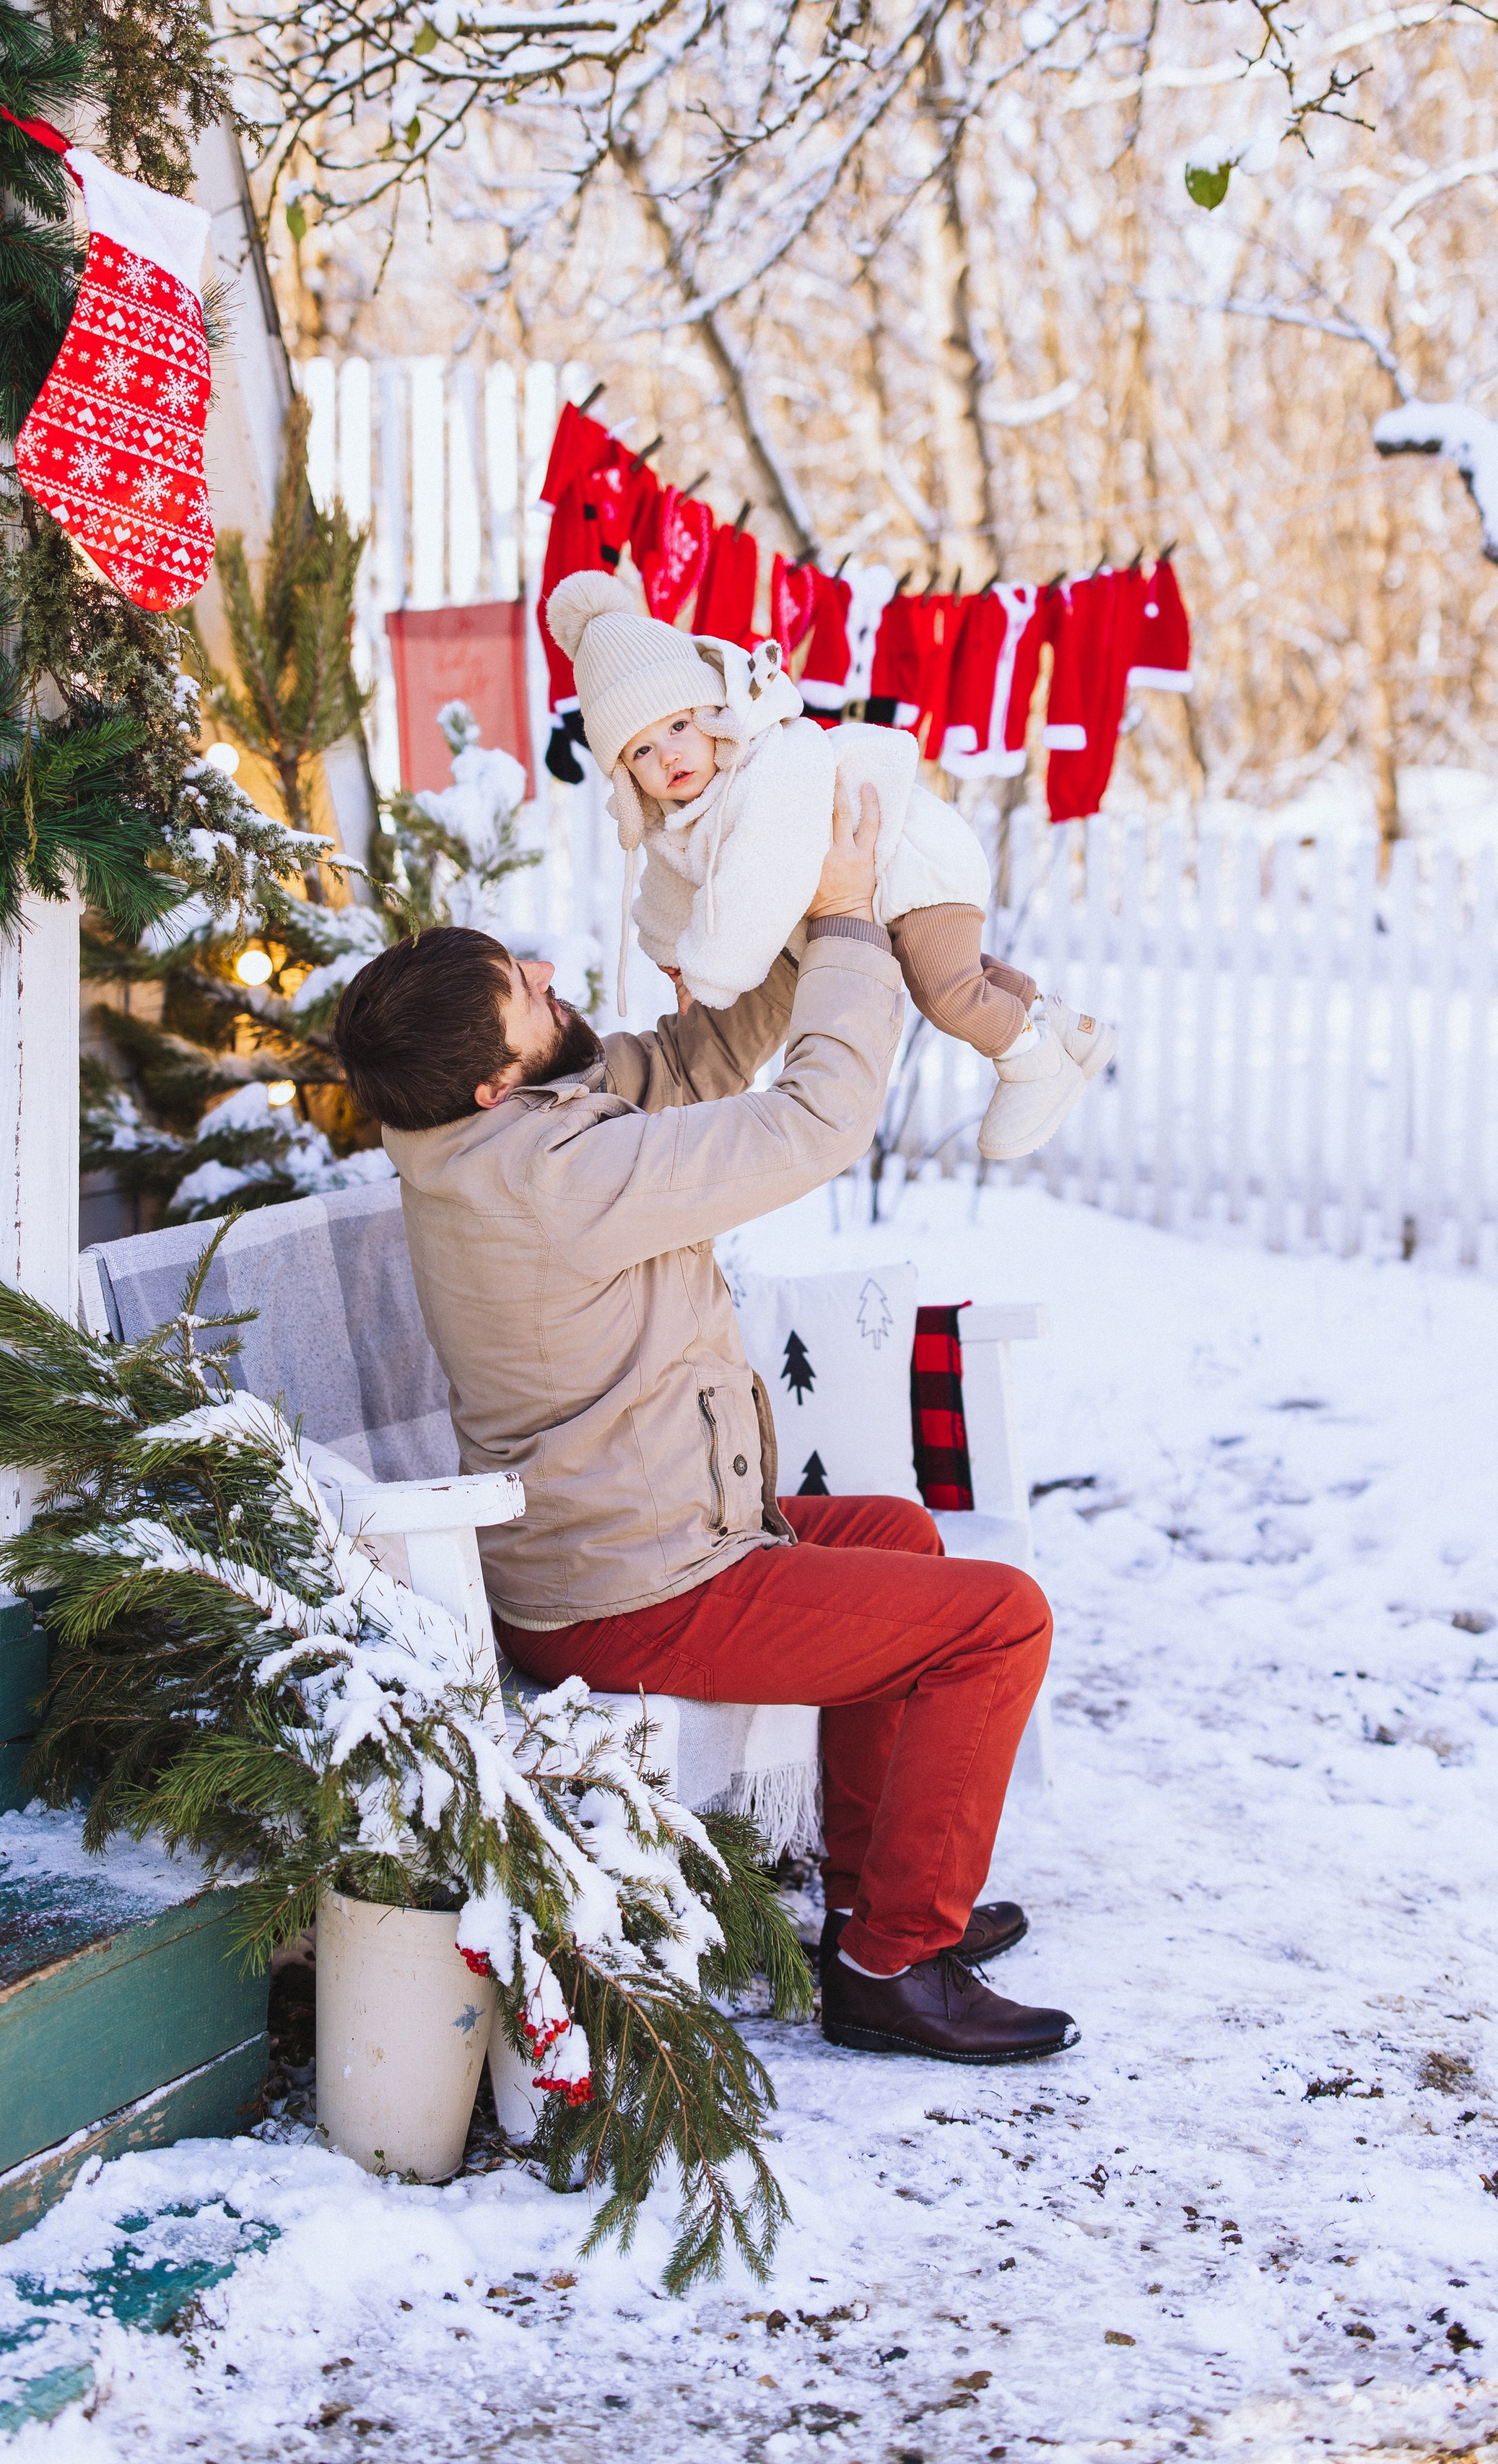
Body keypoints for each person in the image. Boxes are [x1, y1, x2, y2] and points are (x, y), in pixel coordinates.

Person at [331, 782, 1077, 2064]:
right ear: (495, 1081)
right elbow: (814, 1121)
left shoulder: (481, 1131)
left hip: (641, 1531)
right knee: (999, 1622)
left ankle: (865, 1904)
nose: (559, 980)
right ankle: (896, 1962)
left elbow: (681, 1064)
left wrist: (792, 918)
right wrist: (849, 926)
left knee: (899, 1535)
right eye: (532, 988)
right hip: (636, 1585)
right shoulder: (555, 1178)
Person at [543, 569, 1115, 1164]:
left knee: (947, 989)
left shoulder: (768, 767)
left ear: (714, 714)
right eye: (641, 750)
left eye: (679, 726)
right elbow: (667, 883)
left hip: (912, 866)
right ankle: (1067, 1029)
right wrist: (671, 955)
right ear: (627, 778)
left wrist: (711, 969)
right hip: (881, 892)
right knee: (945, 969)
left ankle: (1030, 1062)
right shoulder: (681, 815)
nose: (668, 754)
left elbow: (761, 880)